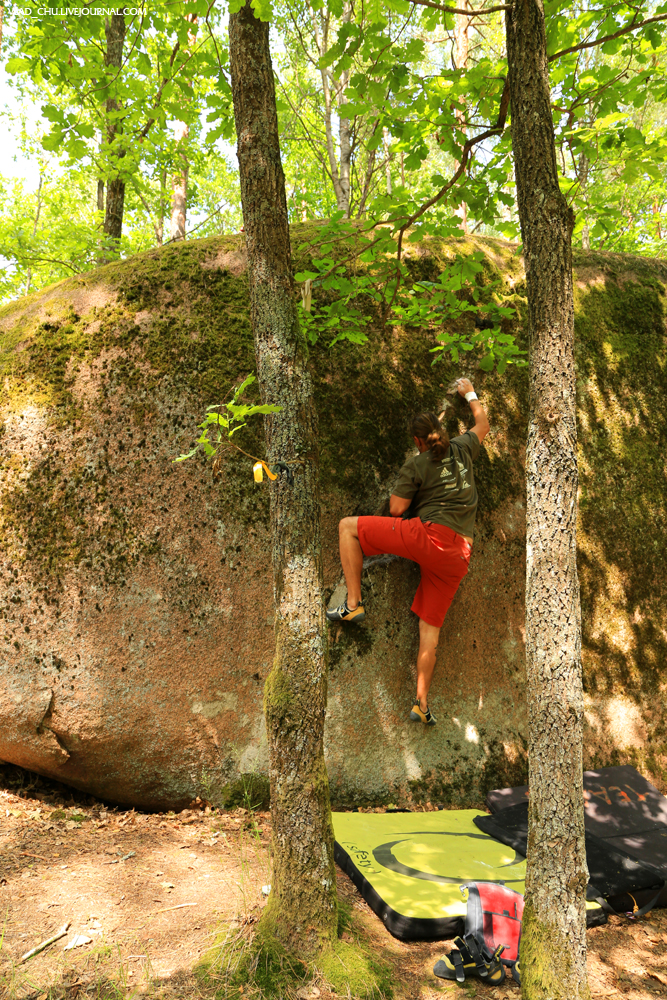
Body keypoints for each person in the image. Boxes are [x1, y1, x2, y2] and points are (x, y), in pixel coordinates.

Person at [326, 378, 490, 726]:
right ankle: (421, 702)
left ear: (417, 441)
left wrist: (413, 480)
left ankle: (353, 605)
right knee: (430, 630)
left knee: (346, 527)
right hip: (460, 555)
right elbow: (483, 423)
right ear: (442, 431)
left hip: (431, 538)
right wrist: (469, 392)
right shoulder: (463, 448)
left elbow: (397, 509)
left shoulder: (417, 464)